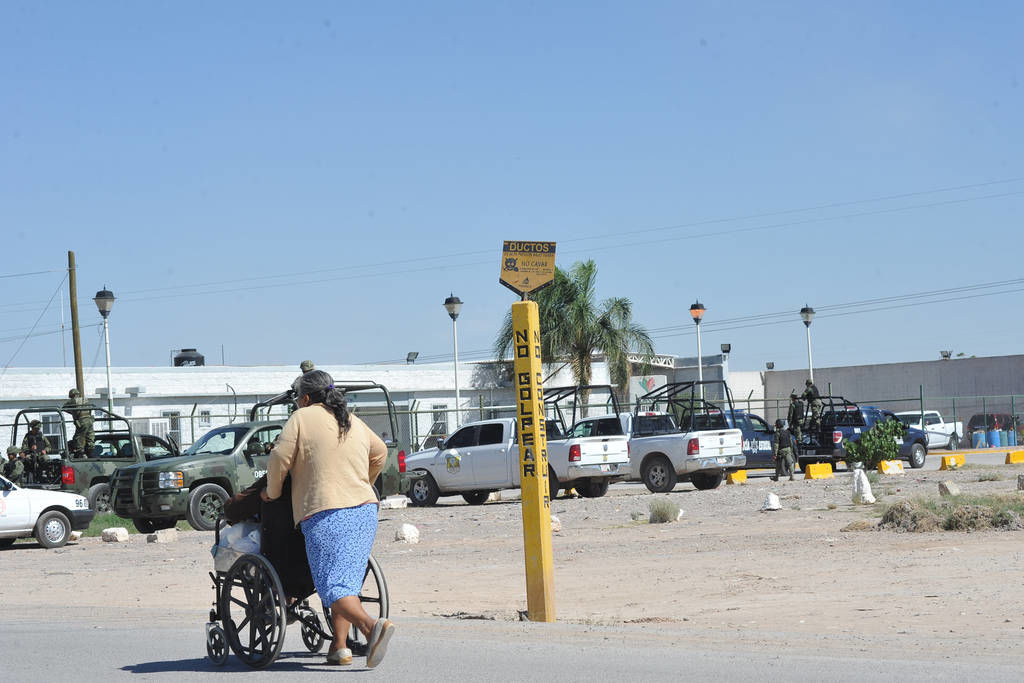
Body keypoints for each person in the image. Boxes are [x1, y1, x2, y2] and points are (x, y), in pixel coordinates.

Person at [263, 370, 394, 668]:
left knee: (332, 587)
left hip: (326, 512)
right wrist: (361, 482)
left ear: (305, 398)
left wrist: (272, 492)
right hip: (364, 510)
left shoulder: (301, 417)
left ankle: (372, 627)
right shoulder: (351, 419)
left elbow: (280, 457)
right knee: (346, 582)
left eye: (298, 399)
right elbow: (380, 452)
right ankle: (339, 646)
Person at [62, 389, 95, 457]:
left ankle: (80, 453)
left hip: (82, 421)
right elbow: (90, 408)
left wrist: (73, 412)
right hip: (90, 420)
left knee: (78, 437)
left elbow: (64, 408)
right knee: (90, 437)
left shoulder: (73, 401)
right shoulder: (85, 399)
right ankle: (91, 453)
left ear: (72, 395)